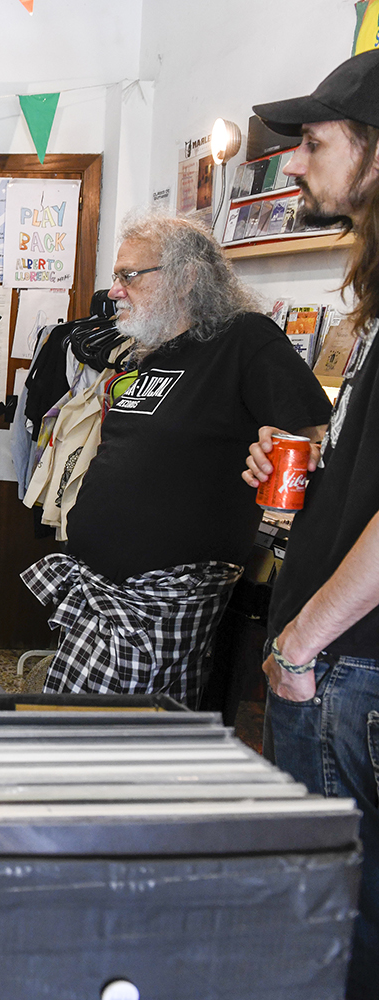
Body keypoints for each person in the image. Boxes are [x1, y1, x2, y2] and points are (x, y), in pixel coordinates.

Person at [23, 214, 330, 704]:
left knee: (107, 748)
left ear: (186, 277)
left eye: (129, 275)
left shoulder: (244, 338)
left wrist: (279, 451)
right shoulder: (156, 351)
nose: (115, 291)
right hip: (100, 588)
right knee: (89, 744)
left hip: (164, 599)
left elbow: (311, 436)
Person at [244, 49, 379, 998]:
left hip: (347, 668)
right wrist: (308, 461)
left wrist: (302, 642)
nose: (293, 164)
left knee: (342, 927)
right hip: (333, 666)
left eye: (316, 141)